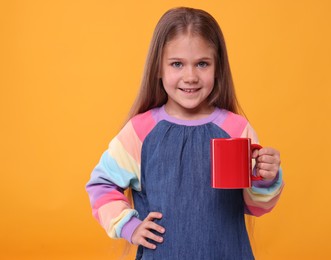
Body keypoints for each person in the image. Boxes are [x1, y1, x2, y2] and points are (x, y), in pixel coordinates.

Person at [86, 7, 284, 260]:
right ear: (158, 68)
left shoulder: (236, 130)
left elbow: (256, 206)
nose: (190, 77)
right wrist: (129, 226)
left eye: (202, 64)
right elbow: (101, 185)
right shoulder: (141, 131)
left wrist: (266, 178)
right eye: (177, 64)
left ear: (217, 68)